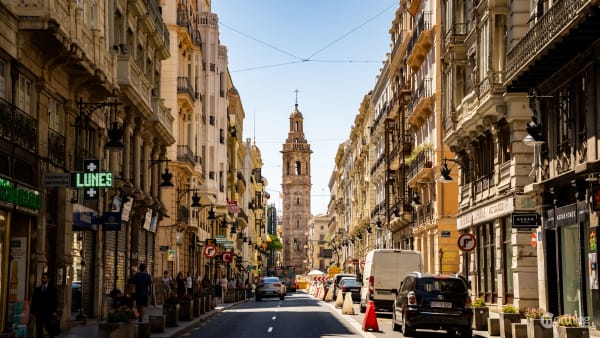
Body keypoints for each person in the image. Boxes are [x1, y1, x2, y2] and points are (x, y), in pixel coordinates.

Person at [31, 272, 58, 338]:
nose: (43, 280)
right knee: (39, 329)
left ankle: (52, 335)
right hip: (39, 313)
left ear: (48, 279)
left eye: (45, 278)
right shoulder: (37, 289)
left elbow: (54, 301)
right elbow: (34, 301)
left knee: (48, 327)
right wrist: (33, 311)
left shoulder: (52, 289)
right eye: (42, 278)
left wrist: (54, 311)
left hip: (48, 313)